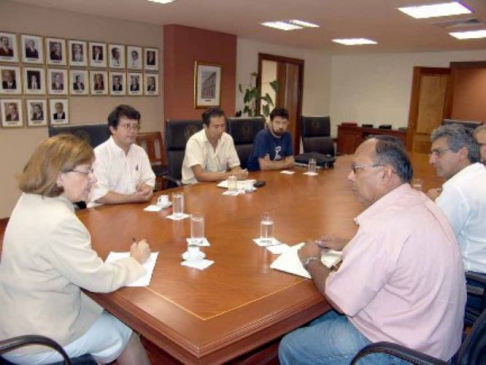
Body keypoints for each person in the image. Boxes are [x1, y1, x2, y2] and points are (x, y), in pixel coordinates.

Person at [278, 137, 466, 364]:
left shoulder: (384, 225)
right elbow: (398, 254)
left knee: (291, 346)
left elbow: (340, 299)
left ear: (385, 174)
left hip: (402, 352)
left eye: (356, 169)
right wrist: (351, 243)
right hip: (435, 339)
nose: (349, 177)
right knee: (315, 320)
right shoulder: (420, 203)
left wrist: (310, 259)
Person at [0, 134, 151, 365]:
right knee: (126, 328)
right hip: (39, 338)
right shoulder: (58, 221)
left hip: (17, 320)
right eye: (87, 171)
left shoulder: (30, 200)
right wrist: (135, 260)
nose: (93, 179)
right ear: (59, 176)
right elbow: (100, 280)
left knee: (107, 313)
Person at [426, 124, 486, 310]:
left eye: (438, 153)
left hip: (473, 284)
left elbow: (430, 242)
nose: (431, 160)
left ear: (462, 153)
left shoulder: (458, 189)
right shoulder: (480, 175)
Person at [90, 105, 155, 206]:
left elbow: (149, 179)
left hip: (133, 208)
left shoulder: (140, 152)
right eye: (127, 126)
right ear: (113, 129)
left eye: (135, 127)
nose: (132, 131)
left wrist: (146, 189)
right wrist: (133, 198)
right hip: (104, 211)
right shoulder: (99, 154)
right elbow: (100, 194)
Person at [181, 107, 248, 184]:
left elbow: (236, 167)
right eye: (216, 127)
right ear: (205, 127)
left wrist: (238, 173)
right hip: (194, 187)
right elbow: (200, 176)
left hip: (218, 185)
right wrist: (229, 175)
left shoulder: (227, 139)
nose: (220, 130)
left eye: (223, 126)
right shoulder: (195, 142)